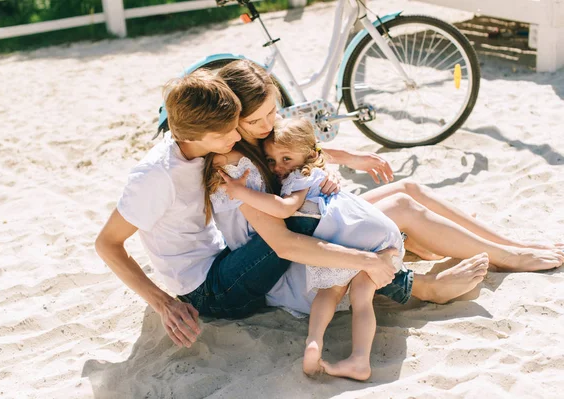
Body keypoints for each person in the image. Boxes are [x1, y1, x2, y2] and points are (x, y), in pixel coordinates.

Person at [95, 68, 416, 352]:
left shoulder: (208, 145)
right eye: (226, 133)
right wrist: (162, 303)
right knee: (299, 219)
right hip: (210, 291)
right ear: (194, 135)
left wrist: (324, 166)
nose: (236, 136)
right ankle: (398, 274)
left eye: (236, 125)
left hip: (227, 255)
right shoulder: (155, 176)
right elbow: (107, 244)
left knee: (313, 211)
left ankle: (395, 258)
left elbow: (274, 145)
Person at [216, 59, 564, 273]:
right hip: (305, 231)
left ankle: (512, 243)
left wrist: (344, 160)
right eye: (258, 119)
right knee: (403, 205)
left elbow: (296, 146)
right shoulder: (232, 152)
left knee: (409, 187)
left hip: (318, 211)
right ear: (234, 116)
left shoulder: (259, 133)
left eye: (273, 113)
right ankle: (507, 256)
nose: (268, 124)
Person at [218, 117, 412, 380]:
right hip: (360, 231)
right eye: (271, 160)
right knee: (360, 298)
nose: (277, 167)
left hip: (353, 231)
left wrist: (240, 192)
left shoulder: (302, 174)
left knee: (331, 291)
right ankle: (359, 359)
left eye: (286, 159)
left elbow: (284, 207)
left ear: (309, 154)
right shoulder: (307, 168)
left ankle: (315, 340)